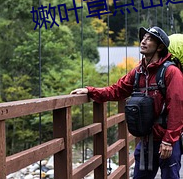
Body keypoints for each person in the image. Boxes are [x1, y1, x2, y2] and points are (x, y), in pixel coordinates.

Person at [70, 26, 183, 179]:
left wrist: (169, 141)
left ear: (160, 47)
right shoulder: (138, 72)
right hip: (146, 140)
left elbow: (177, 107)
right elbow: (117, 90)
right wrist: (90, 91)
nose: (143, 41)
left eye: (149, 39)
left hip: (166, 140)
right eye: (143, 38)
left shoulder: (171, 72)